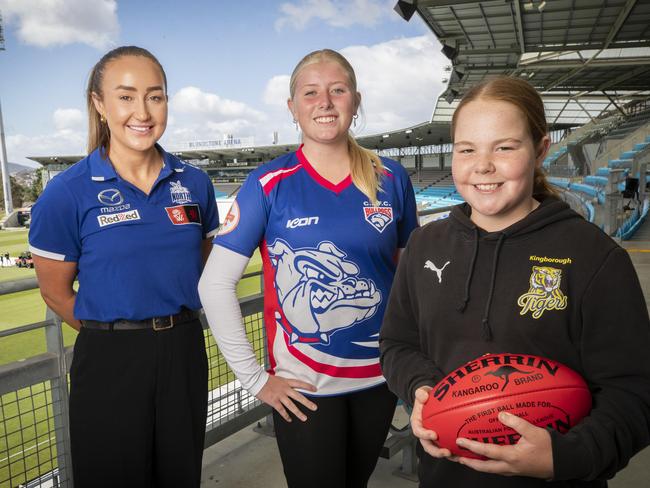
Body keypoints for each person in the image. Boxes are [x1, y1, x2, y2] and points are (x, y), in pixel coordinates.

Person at [379, 76, 650, 487]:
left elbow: (635, 393)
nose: (482, 165)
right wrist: (422, 388)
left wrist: (563, 457)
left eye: (504, 147)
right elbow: (397, 344)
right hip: (443, 477)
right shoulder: (423, 245)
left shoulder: (595, 257)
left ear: (540, 150)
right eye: (466, 149)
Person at [198, 48, 418, 487]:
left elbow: (412, 279)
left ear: (355, 100)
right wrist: (256, 381)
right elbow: (214, 285)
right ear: (292, 107)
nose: (325, 102)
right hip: (304, 390)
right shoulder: (267, 184)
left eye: (337, 90)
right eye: (311, 92)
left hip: (378, 380)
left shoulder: (391, 178)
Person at [28, 46, 218, 488]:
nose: (143, 112)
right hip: (110, 359)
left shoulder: (195, 183)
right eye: (126, 96)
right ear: (99, 104)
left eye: (155, 96)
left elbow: (203, 268)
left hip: (184, 351)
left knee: (180, 475)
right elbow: (56, 292)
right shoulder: (66, 192)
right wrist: (113, 332)